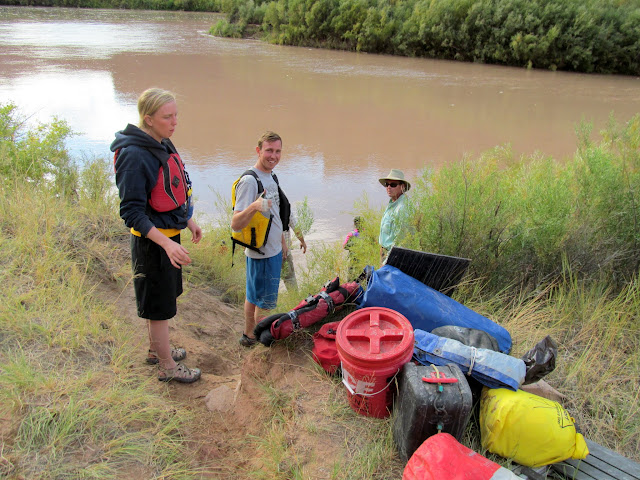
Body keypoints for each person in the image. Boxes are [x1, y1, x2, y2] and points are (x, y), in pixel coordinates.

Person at [111, 88, 202, 383]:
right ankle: (167, 366)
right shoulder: (134, 156)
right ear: (148, 119)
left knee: (163, 300)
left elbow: (172, 186)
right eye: (167, 117)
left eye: (176, 115)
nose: (175, 122)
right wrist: (165, 244)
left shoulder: (160, 141)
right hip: (152, 243)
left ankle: (156, 350)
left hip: (167, 237)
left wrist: (188, 220)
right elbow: (131, 212)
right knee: (159, 307)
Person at [232, 131, 298, 347]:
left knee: (253, 297)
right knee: (266, 302)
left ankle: (248, 336)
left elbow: (276, 214)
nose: (274, 156)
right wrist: (253, 206)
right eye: (269, 150)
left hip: (272, 249)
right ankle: (260, 342)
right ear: (258, 150)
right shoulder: (250, 181)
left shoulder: (271, 176)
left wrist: (282, 241)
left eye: (278, 151)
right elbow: (236, 223)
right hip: (262, 253)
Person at [378, 169, 411, 263]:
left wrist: (387, 262)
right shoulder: (393, 203)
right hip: (385, 252)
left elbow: (401, 240)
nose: (389, 187)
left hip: (392, 257)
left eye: (393, 185)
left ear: (402, 187)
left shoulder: (402, 208)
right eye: (387, 184)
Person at [281, 211, 307, 291]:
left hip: (266, 252)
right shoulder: (284, 205)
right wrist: (302, 241)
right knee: (290, 279)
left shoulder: (262, 204)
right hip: (284, 253)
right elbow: (296, 228)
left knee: (269, 281)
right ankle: (295, 301)